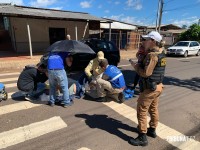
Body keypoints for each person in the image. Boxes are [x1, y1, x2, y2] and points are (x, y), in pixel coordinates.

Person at [129, 31, 166, 146]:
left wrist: (135, 66)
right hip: (158, 86)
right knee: (153, 109)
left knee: (141, 111)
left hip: (150, 89)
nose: (144, 41)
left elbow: (145, 73)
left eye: (146, 40)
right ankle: (152, 130)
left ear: (153, 41)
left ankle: (142, 137)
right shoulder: (161, 52)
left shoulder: (152, 56)